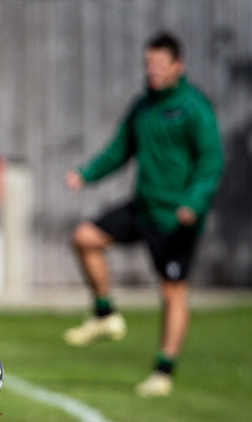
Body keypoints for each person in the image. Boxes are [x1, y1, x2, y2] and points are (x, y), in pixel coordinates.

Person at [64, 32, 223, 398]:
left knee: (172, 293)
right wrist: (86, 174)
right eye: (148, 64)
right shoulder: (143, 106)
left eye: (159, 66)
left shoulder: (194, 108)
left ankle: (162, 371)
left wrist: (193, 203)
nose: (152, 71)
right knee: (85, 237)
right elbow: (120, 149)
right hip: (143, 207)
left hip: (177, 217)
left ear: (177, 67)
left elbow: (211, 162)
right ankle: (105, 313)